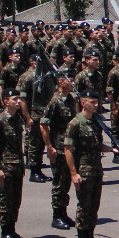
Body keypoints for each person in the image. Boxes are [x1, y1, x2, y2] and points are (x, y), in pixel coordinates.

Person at [64, 88, 110, 238]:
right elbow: (68, 149)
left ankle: (90, 236)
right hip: (83, 170)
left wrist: (114, 149)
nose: (96, 105)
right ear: (83, 103)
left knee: (94, 205)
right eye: (93, 102)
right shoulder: (75, 123)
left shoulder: (96, 122)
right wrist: (73, 173)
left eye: (97, 102)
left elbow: (99, 145)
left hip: (96, 169)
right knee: (84, 205)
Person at [39, 71, 78, 229]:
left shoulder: (70, 99)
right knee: (59, 183)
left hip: (69, 148)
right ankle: (57, 215)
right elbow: (43, 124)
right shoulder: (54, 101)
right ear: (61, 83)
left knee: (66, 182)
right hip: (58, 147)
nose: (73, 83)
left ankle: (63, 212)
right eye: (70, 81)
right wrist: (49, 147)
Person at [0, 88, 27, 238]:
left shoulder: (17, 119)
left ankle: (12, 229)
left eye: (18, 99)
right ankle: (5, 232)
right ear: (5, 102)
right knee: (6, 200)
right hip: (6, 166)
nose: (18, 101)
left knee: (16, 200)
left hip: (17, 165)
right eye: (14, 99)